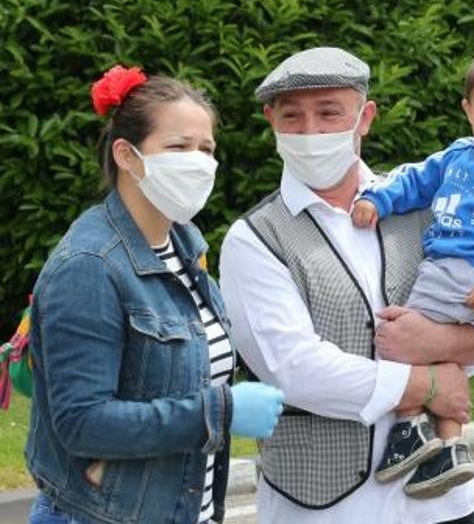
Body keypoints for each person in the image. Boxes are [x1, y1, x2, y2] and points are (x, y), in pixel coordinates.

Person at [220, 47, 474, 523]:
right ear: (270, 120)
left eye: (328, 113)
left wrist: (443, 341)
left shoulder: (425, 207)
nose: (310, 132)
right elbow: (294, 369)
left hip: (446, 506)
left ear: (365, 118)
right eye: (292, 117)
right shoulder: (255, 238)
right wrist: (425, 385)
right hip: (325, 508)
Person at [25, 66, 284, 524]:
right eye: (179, 147)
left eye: (207, 149)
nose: (199, 161)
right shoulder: (90, 266)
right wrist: (221, 410)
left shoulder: (185, 244)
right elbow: (81, 423)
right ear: (127, 155)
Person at [351, 49, 474, 496]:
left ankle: (409, 428)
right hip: (442, 271)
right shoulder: (458, 155)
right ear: (468, 110)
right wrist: (377, 199)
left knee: (400, 340)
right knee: (439, 358)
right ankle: (450, 449)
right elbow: (414, 180)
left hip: (471, 275)